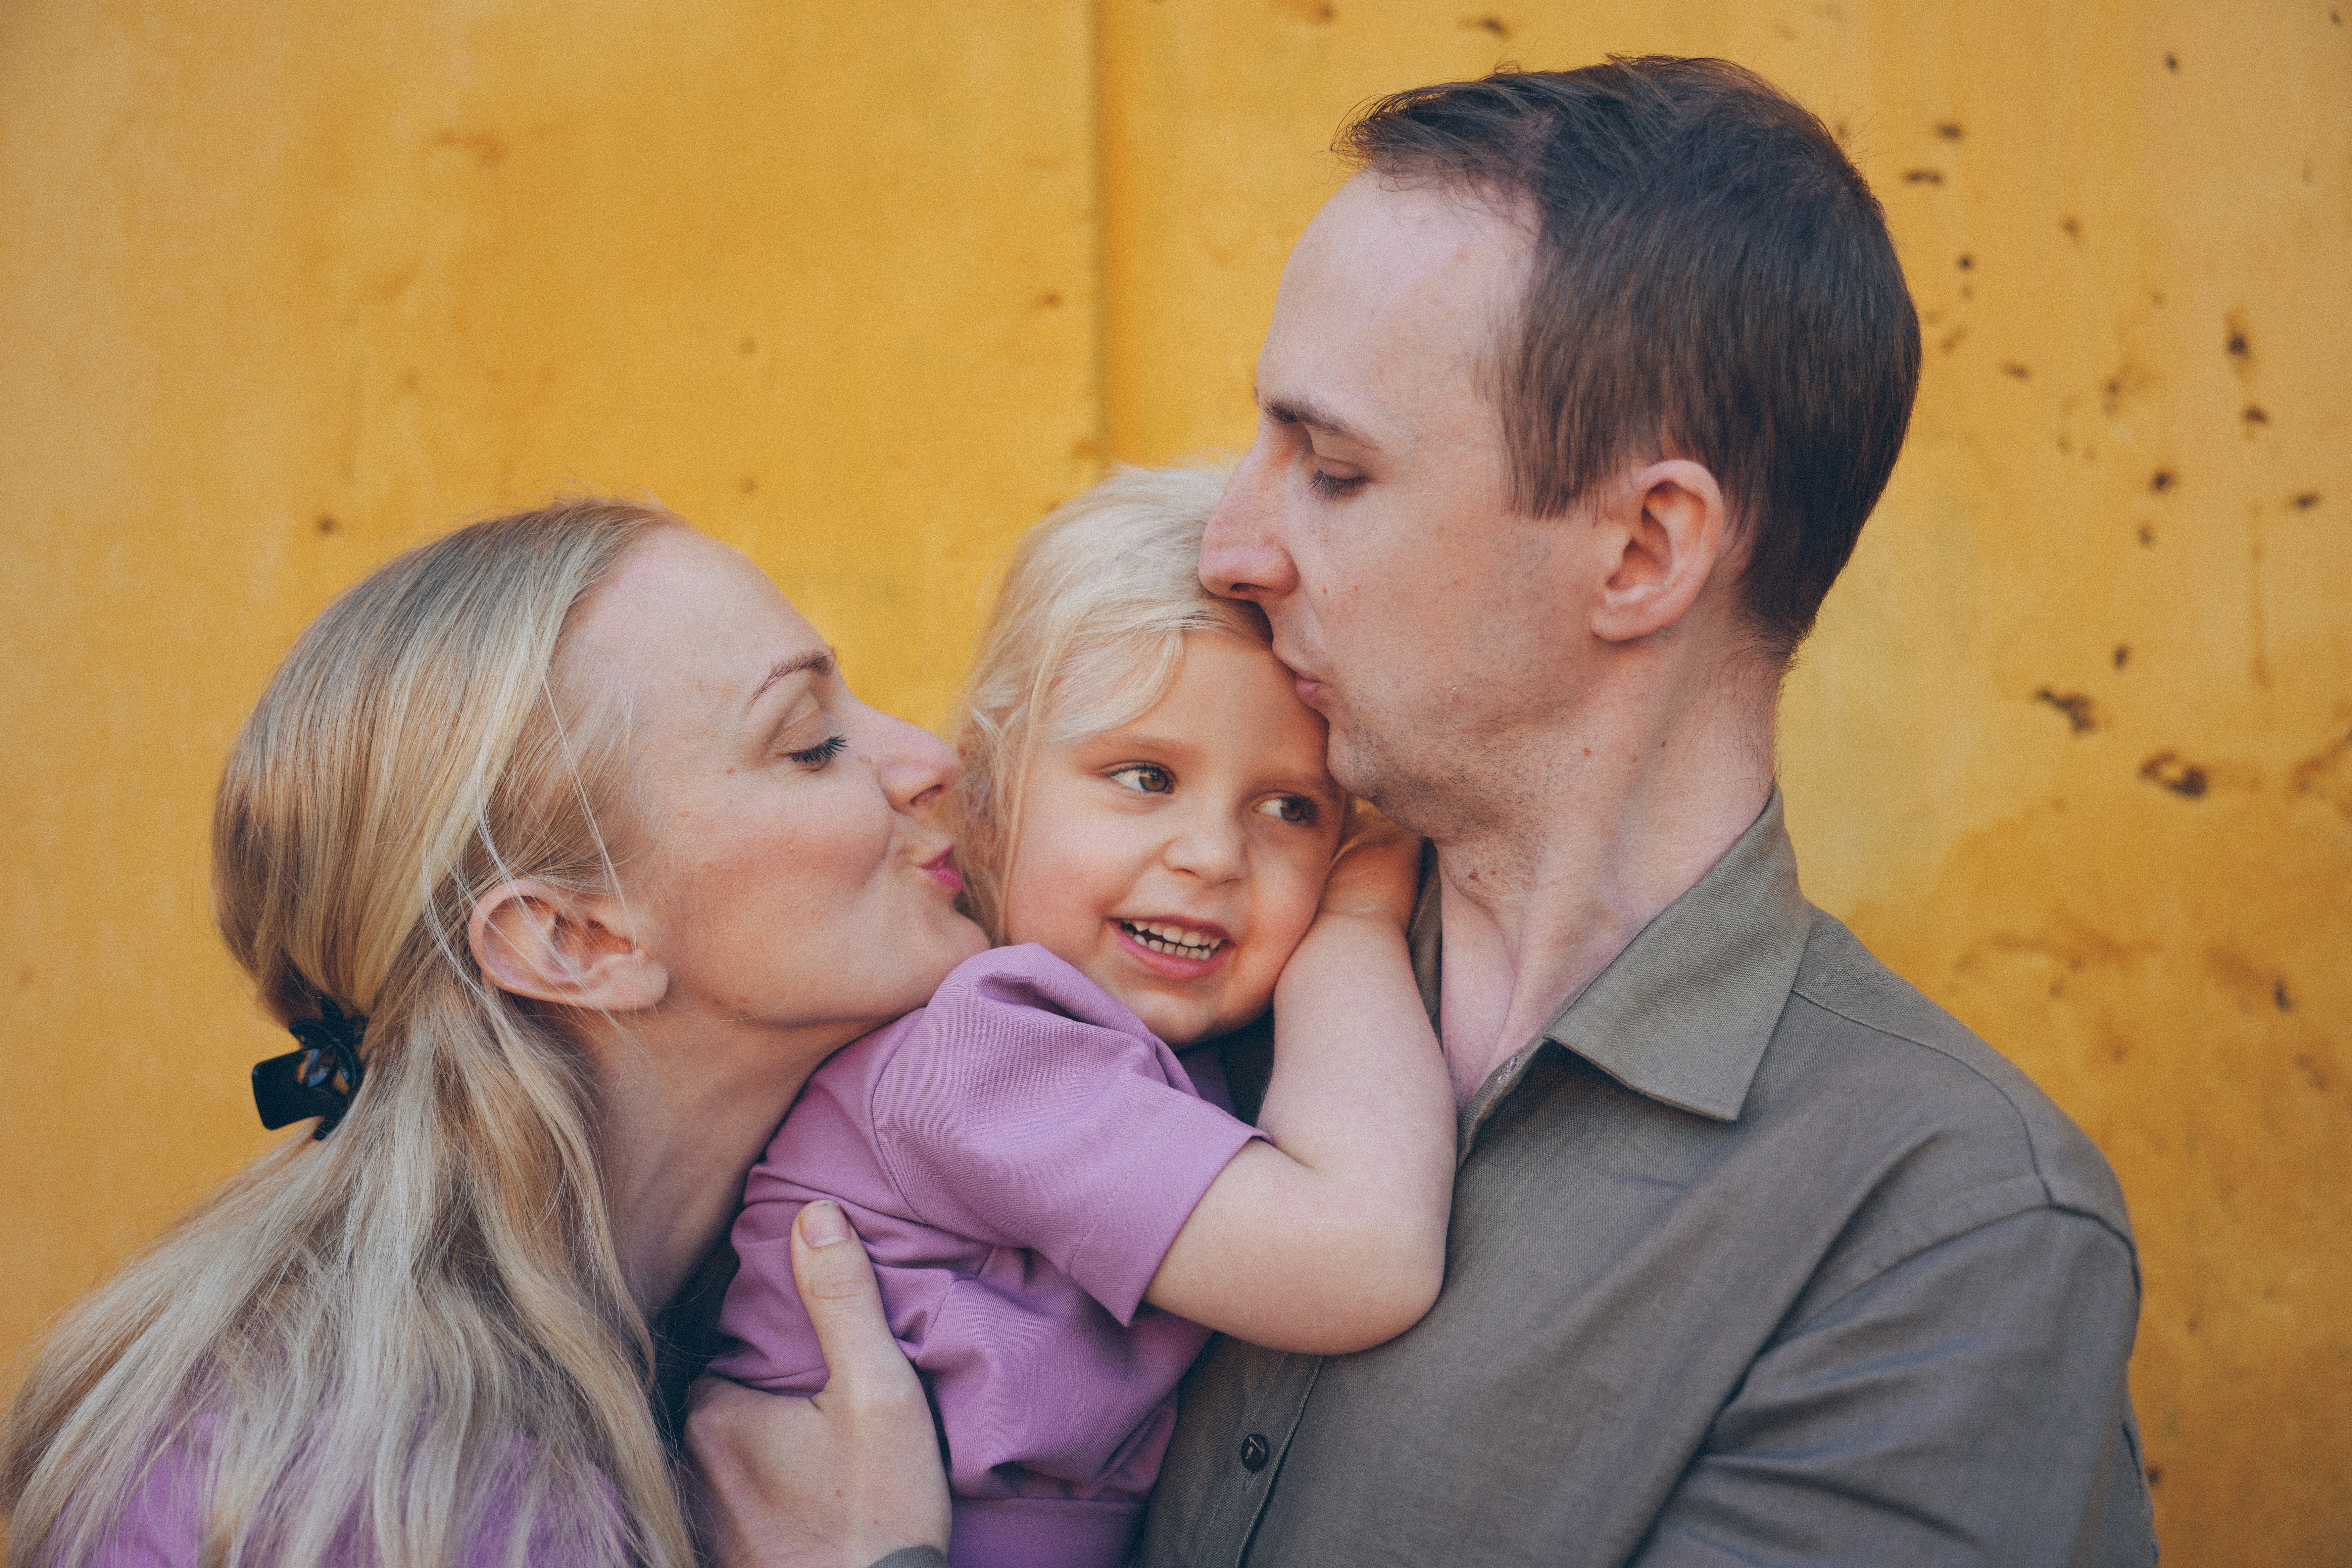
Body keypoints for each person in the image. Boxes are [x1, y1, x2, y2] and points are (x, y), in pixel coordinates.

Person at [691, 57, 2160, 1568]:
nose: (1235, 545)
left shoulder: (1942, 1232)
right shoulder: (1145, 978)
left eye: (1332, 470)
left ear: (1644, 551)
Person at [0, 498, 992, 1566]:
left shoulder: (819, 1283)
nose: (932, 758)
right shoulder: (344, 1491)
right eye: (810, 744)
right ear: (573, 940)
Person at [704, 466, 1453, 1568]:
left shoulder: (1135, 1048)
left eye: (1292, 808)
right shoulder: (987, 1049)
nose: (1213, 854)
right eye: (1145, 776)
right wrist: (1354, 923)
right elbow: (1364, 1259)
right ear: (988, 806)